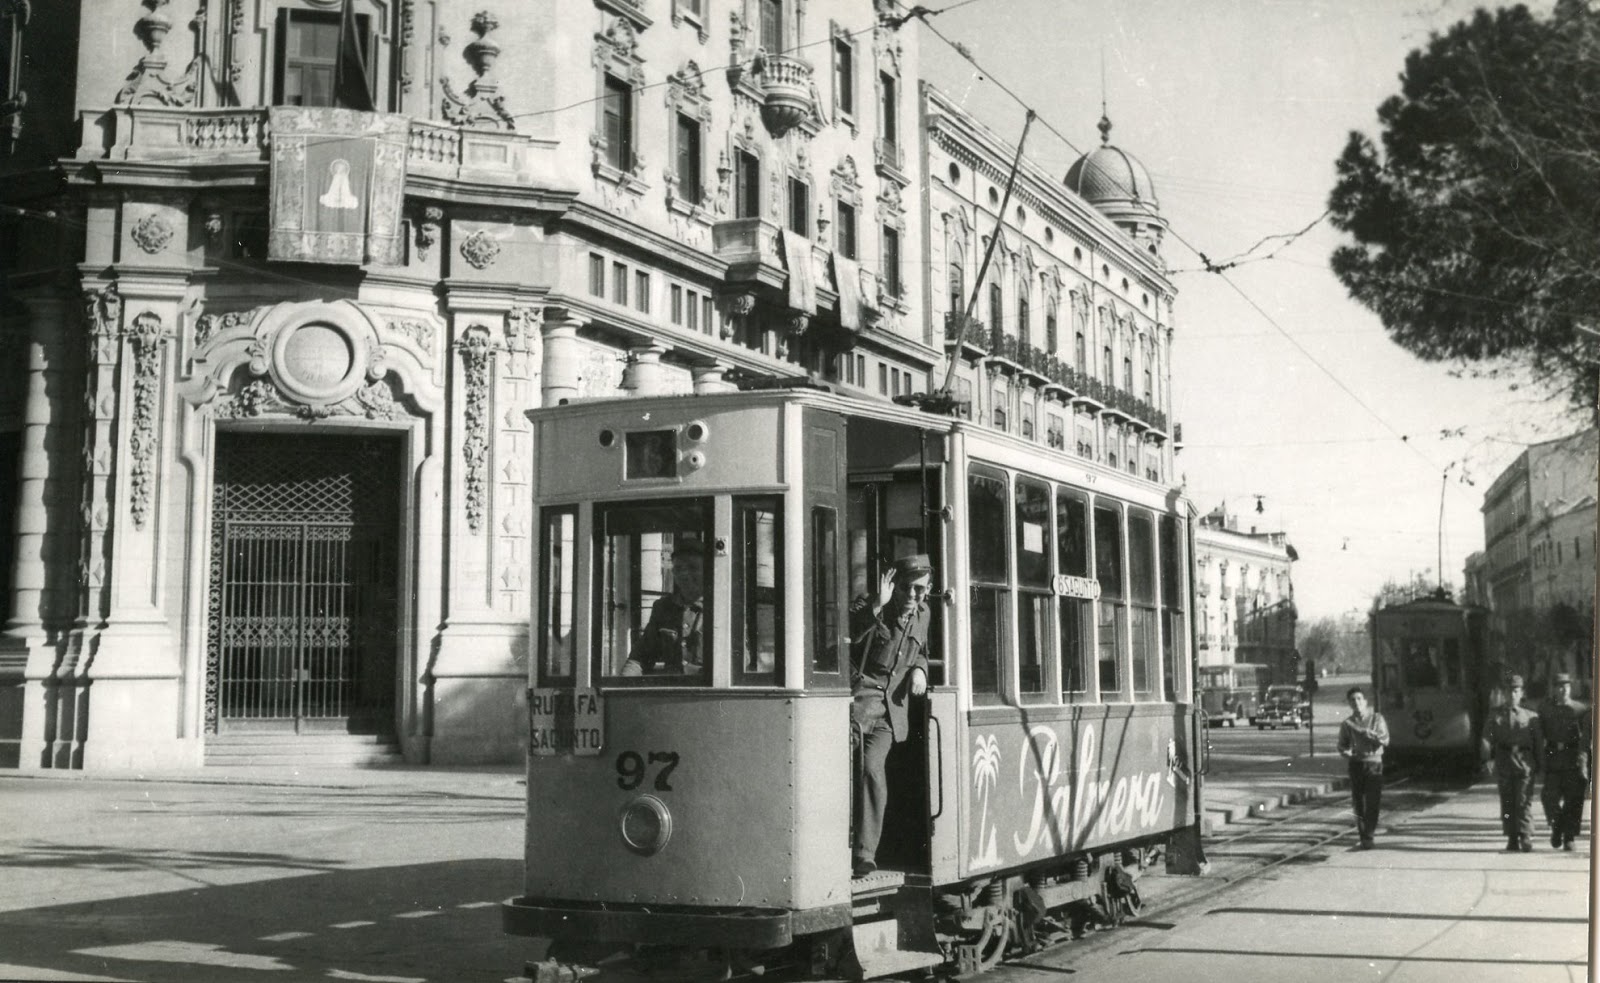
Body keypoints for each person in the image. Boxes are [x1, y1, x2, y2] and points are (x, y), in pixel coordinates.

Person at [849, 553, 933, 878]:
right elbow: (851, 635)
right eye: (907, 588)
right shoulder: (874, 606)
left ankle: (865, 854)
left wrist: (920, 672)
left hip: (890, 715)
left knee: (872, 771)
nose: (914, 596)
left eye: (921, 590)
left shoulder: (924, 615)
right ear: (894, 585)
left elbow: (922, 652)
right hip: (858, 706)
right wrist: (876, 605)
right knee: (843, 771)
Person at [621, 539, 706, 677]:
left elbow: (737, 663)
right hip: (670, 694)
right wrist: (622, 687)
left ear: (708, 571)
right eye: (678, 569)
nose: (684, 574)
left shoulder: (721, 608)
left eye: (693, 567)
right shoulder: (663, 608)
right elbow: (639, 659)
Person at [1480, 674, 1544, 852]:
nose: (1512, 695)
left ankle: (1525, 835)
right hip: (1504, 762)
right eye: (1509, 692)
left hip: (1525, 764)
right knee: (1507, 801)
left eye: (1516, 691)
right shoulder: (1495, 715)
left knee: (1524, 800)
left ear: (1521, 693)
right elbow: (1486, 738)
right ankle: (1512, 837)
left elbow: (1538, 743)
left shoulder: (1531, 716)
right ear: (1504, 694)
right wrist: (1487, 758)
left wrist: (1540, 765)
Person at [1539, 672, 1591, 851]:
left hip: (1572, 758)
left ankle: (1569, 837)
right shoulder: (1545, 709)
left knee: (1573, 799)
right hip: (1553, 758)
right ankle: (1557, 826)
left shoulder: (1580, 709)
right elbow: (1539, 735)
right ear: (1554, 689)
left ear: (1571, 688)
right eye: (1559, 686)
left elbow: (1585, 740)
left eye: (1566, 686)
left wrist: (1583, 763)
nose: (1563, 690)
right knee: (1548, 797)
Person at [1337, 686, 1390, 849]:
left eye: (1359, 699)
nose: (1356, 703)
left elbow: (1385, 739)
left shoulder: (1376, 719)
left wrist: (1371, 736)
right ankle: (1363, 836)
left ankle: (1369, 835)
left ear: (1365, 702)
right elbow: (1341, 745)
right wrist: (1347, 753)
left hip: (1374, 764)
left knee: (1373, 801)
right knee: (1358, 802)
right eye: (1352, 700)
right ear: (1349, 703)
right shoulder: (1347, 724)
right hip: (1356, 764)